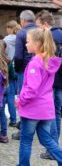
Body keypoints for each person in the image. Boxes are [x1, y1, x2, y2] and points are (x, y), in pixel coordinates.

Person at [16, 28, 62, 166]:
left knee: (25, 140)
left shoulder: (35, 63)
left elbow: (31, 89)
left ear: (37, 44)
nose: (25, 44)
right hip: (46, 109)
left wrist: (20, 101)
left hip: (32, 110)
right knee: (46, 139)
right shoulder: (50, 61)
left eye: (28, 42)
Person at [36, 10, 62, 160]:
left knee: (51, 113)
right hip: (61, 80)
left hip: (51, 80)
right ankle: (55, 146)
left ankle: (53, 149)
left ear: (45, 25)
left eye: (39, 26)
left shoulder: (48, 37)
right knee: (57, 112)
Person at [13, 10, 37, 140]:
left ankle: (24, 129)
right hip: (42, 68)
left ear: (22, 21)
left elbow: (17, 56)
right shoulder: (43, 31)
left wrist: (17, 70)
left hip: (24, 70)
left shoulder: (21, 32)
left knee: (24, 100)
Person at [3, 20, 21, 127]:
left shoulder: (6, 40)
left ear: (9, 29)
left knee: (9, 94)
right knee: (17, 94)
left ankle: (12, 119)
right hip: (18, 68)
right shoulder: (21, 39)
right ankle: (17, 118)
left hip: (8, 68)